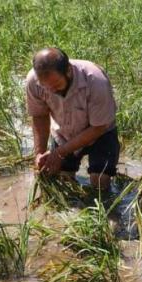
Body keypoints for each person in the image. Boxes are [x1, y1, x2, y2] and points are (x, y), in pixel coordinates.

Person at [26, 47, 120, 191]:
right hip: (63, 135)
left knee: (100, 181)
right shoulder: (33, 81)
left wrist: (59, 153)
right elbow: (39, 116)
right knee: (62, 181)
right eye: (46, 87)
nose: (52, 91)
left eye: (56, 85)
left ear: (68, 71)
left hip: (100, 134)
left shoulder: (95, 80)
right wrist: (40, 153)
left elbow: (99, 127)